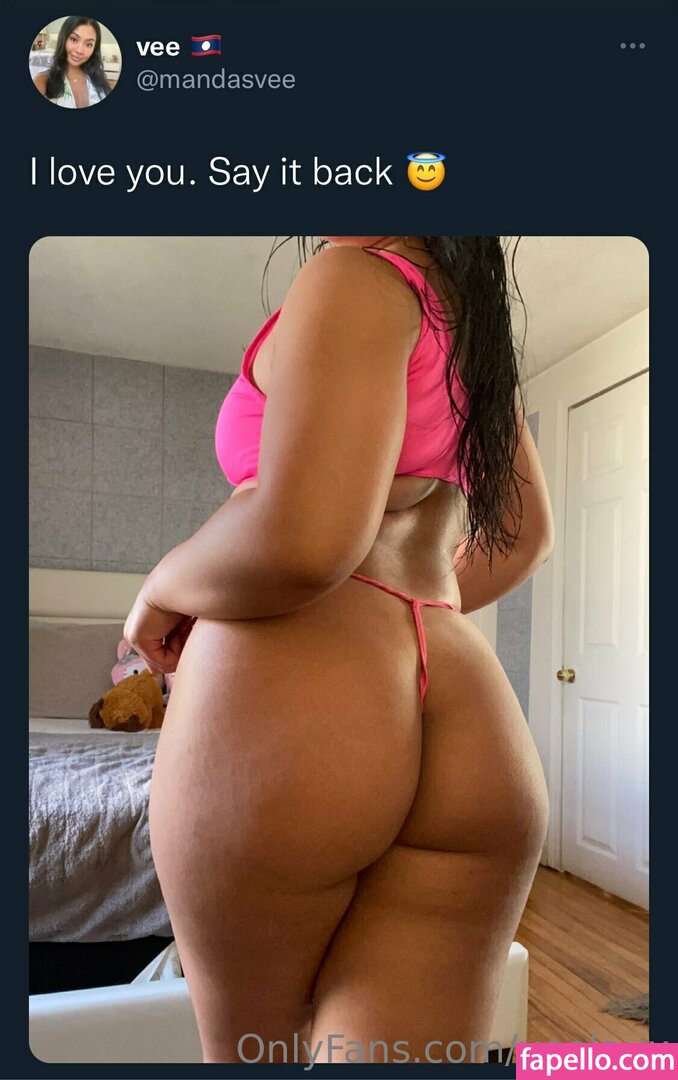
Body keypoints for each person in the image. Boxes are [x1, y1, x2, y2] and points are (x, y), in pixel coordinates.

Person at [124, 236, 554, 1065]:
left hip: (300, 693)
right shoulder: (477, 335)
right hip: (468, 702)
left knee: (259, 1053)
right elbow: (524, 539)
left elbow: (303, 544)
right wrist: (396, 616)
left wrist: (162, 587)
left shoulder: (354, 274)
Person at [32, 17, 111, 108]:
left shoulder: (98, 77)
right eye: (74, 39)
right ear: (63, 39)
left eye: (89, 44)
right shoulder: (43, 81)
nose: (79, 51)